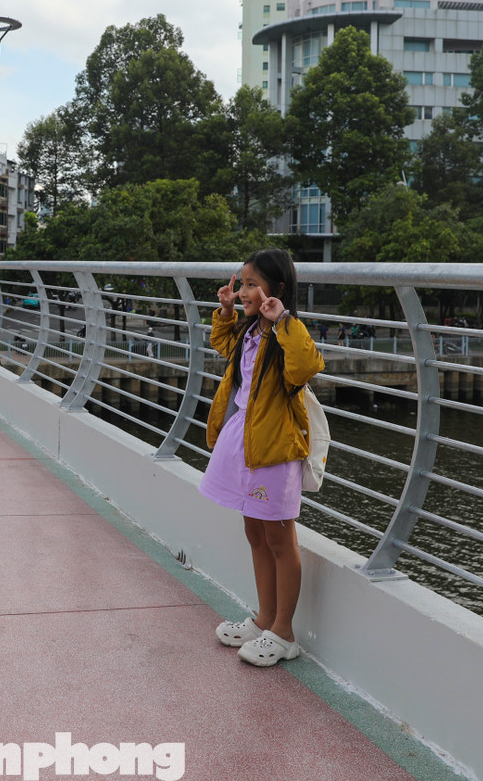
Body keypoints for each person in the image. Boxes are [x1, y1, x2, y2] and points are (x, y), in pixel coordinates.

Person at [201, 248, 324, 666]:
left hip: (275, 449)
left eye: (254, 284)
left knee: (279, 537)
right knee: (255, 533)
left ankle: (284, 632)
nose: (247, 290)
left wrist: (283, 319)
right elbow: (222, 343)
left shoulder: (284, 335)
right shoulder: (249, 332)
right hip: (246, 443)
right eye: (244, 283)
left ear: (279, 291)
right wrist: (225, 310)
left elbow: (308, 365)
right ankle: (264, 619)